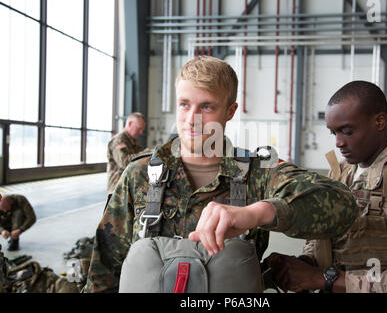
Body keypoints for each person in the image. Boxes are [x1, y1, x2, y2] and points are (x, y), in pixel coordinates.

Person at [83, 56, 358, 293]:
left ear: (230, 111)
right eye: (184, 104)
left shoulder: (257, 172)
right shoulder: (140, 174)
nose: (192, 119)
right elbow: (104, 270)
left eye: (207, 106)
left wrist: (257, 212)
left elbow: (342, 205)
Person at [263, 80, 387, 293]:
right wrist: (301, 265)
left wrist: (323, 278)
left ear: (379, 122)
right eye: (334, 133)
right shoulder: (339, 174)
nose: (338, 142)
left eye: (347, 131)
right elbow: (327, 246)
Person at [107, 112, 152, 194]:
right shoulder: (119, 140)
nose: (141, 132)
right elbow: (124, 162)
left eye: (142, 129)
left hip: (130, 186)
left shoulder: (135, 141)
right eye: (139, 129)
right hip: (118, 189)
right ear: (130, 123)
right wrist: (148, 152)